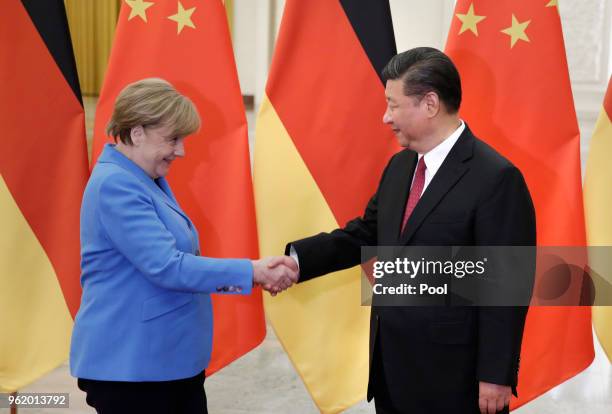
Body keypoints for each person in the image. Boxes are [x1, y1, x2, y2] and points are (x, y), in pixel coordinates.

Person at [279, 48, 536, 413]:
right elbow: (365, 235)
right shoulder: (400, 168)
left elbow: (509, 283)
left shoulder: (496, 178)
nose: (385, 117)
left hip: (455, 379)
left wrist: (496, 374)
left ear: (430, 103)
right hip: (392, 369)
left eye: (393, 105)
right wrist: (297, 261)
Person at [70, 78, 297, 414]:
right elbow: (167, 266)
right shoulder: (116, 186)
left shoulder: (143, 177)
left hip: (164, 360)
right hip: (133, 366)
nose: (181, 150)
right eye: (173, 139)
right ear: (137, 133)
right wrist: (252, 271)